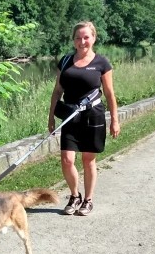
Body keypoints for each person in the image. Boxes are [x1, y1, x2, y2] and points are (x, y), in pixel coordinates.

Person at [47, 21, 120, 216]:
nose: (82, 41)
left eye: (86, 37)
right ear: (73, 40)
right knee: (67, 159)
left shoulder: (101, 63)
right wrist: (51, 118)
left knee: (88, 160)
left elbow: (110, 93)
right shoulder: (65, 61)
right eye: (78, 38)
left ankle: (88, 200)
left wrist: (114, 119)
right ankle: (74, 196)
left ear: (93, 38)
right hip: (70, 116)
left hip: (92, 116)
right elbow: (57, 92)